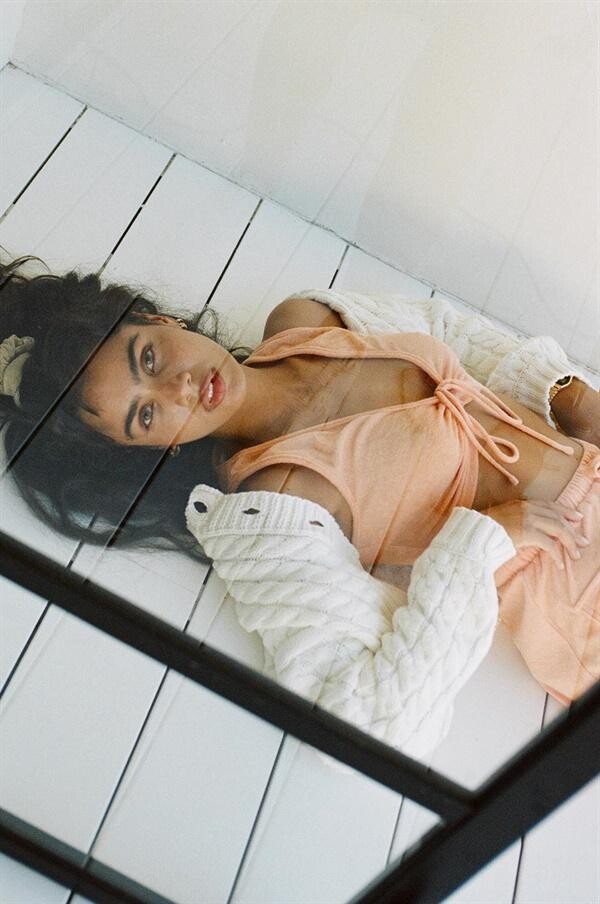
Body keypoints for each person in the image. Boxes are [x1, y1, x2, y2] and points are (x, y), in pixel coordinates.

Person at [1, 254, 598, 761]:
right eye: (147, 414)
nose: (179, 389)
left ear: (157, 320)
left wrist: (571, 395)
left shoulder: (306, 321)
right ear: (157, 446)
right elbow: (371, 717)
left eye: (149, 358)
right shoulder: (277, 499)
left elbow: (451, 330)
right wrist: (484, 541)